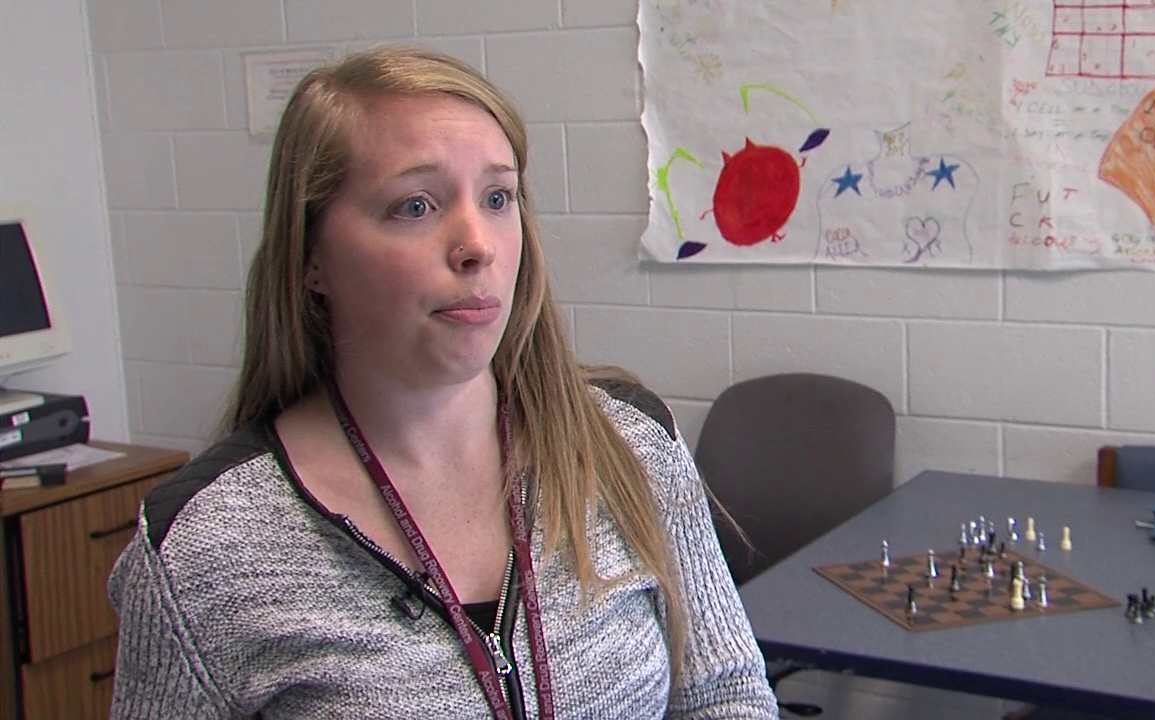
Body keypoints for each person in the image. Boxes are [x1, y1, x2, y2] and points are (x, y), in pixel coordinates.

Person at [107, 46, 778, 719]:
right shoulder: (203, 551)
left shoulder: (626, 442)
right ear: (311, 256)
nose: (478, 245)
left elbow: (725, 694)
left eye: (497, 197)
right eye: (415, 206)